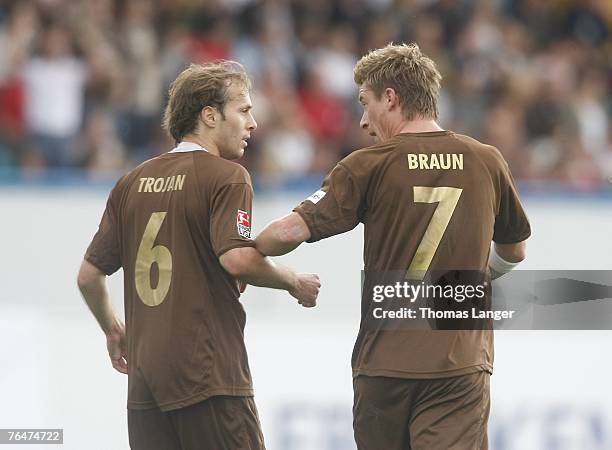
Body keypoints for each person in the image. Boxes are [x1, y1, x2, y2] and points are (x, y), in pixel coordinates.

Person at [254, 43, 530, 449]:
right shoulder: (486, 161)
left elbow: (288, 232)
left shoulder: (368, 164)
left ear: (391, 97)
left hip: (384, 364)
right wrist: (484, 276)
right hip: (457, 363)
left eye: (365, 103)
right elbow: (515, 250)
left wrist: (243, 250)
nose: (364, 121)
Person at [76, 61, 320, 450]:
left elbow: (88, 277)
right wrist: (294, 281)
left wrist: (112, 329)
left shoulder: (130, 183)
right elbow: (237, 259)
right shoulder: (227, 176)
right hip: (208, 375)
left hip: (145, 384)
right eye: (243, 110)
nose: (253, 123)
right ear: (209, 116)